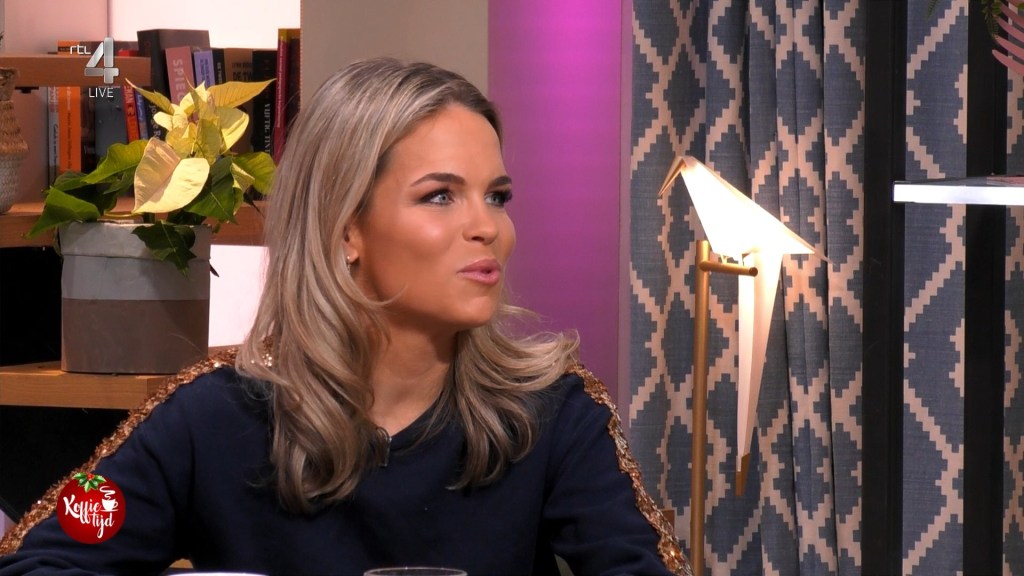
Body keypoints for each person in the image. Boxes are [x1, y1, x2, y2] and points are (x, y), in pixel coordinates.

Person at [0, 58, 691, 576]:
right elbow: (40, 562)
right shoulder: (208, 417)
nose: (488, 227)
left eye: (497, 196)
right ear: (346, 228)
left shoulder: (555, 415)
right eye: (440, 196)